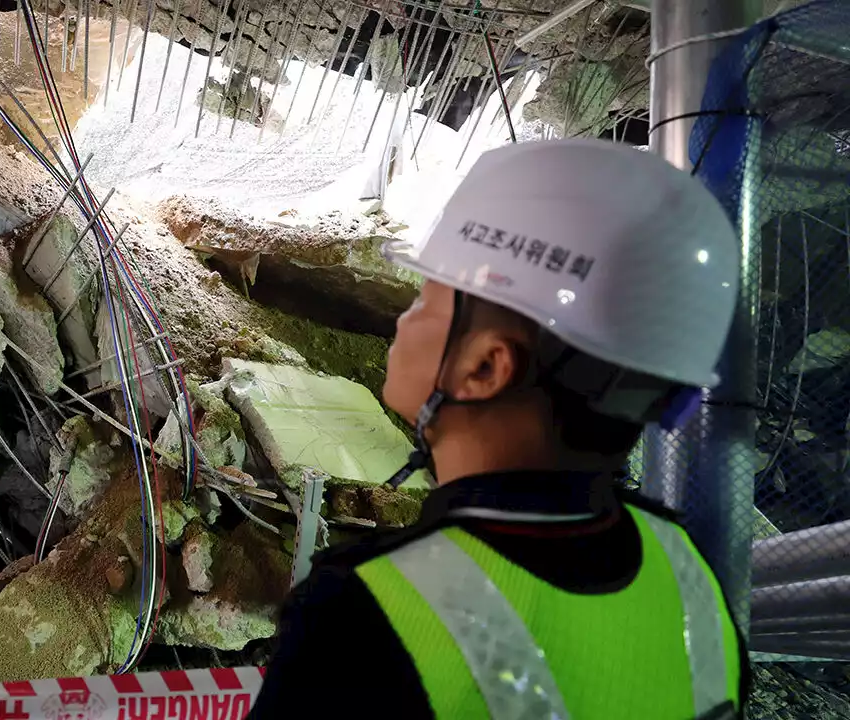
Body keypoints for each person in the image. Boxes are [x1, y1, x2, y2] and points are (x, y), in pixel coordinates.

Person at [247, 139, 749, 720]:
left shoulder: (370, 618)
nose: (404, 321)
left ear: (484, 367)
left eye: (424, 300)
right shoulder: (687, 571)